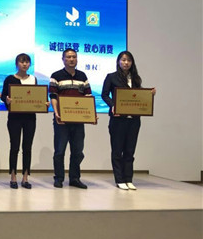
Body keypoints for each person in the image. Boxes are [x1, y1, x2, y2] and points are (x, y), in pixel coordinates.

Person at [101, 51, 156, 190]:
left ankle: (128, 179)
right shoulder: (111, 77)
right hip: (118, 119)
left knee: (130, 150)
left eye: (129, 60)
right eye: (123, 60)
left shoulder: (136, 78)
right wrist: (113, 106)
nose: (126, 63)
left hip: (134, 120)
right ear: (118, 61)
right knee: (117, 150)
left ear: (132, 63)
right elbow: (104, 95)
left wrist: (149, 94)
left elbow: (138, 95)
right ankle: (119, 179)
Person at [1, 53, 47, 189]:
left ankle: (25, 177)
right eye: (22, 62)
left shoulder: (33, 79)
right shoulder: (10, 79)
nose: (24, 64)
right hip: (14, 117)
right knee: (14, 147)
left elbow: (37, 96)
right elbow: (3, 95)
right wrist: (6, 100)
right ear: (17, 64)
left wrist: (43, 103)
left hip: (30, 118)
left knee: (27, 147)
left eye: (27, 62)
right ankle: (13, 176)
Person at [48, 48, 91, 189]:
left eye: (74, 57)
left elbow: (88, 97)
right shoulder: (56, 76)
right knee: (59, 151)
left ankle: (75, 178)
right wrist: (56, 113)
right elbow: (53, 96)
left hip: (78, 121)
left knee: (78, 151)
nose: (71, 59)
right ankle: (59, 178)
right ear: (63, 59)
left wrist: (91, 114)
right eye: (68, 57)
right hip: (61, 119)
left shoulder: (82, 76)